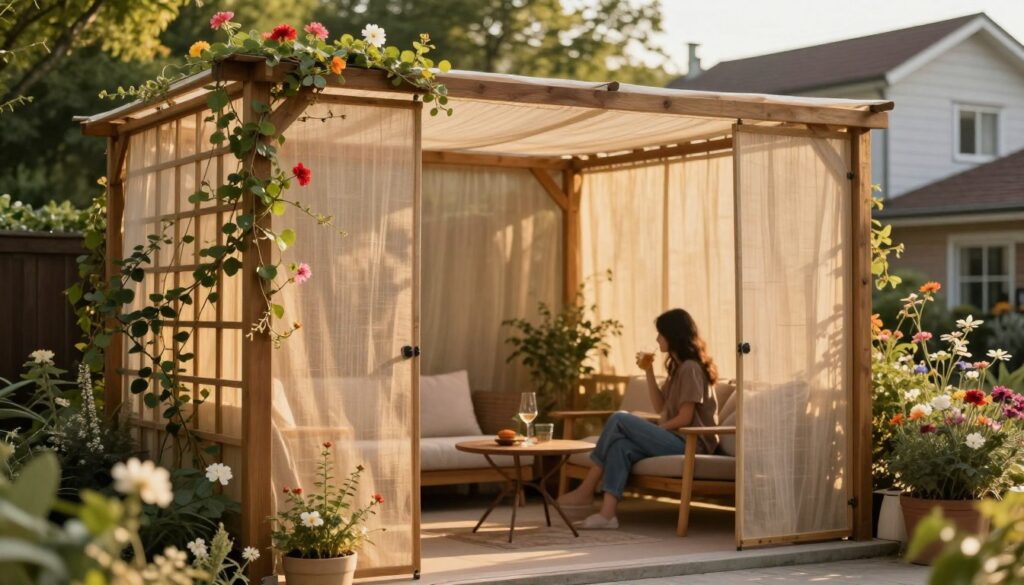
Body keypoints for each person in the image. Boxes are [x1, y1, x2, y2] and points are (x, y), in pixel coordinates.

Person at [557, 308, 719, 529]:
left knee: (619, 418)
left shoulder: (690, 368)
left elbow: (685, 417)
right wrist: (649, 371)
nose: (657, 339)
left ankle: (586, 488)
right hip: (676, 438)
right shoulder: (679, 369)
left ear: (673, 335)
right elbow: (661, 407)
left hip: (692, 443)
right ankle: (607, 515)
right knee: (621, 445)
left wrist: (656, 427)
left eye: (661, 333)